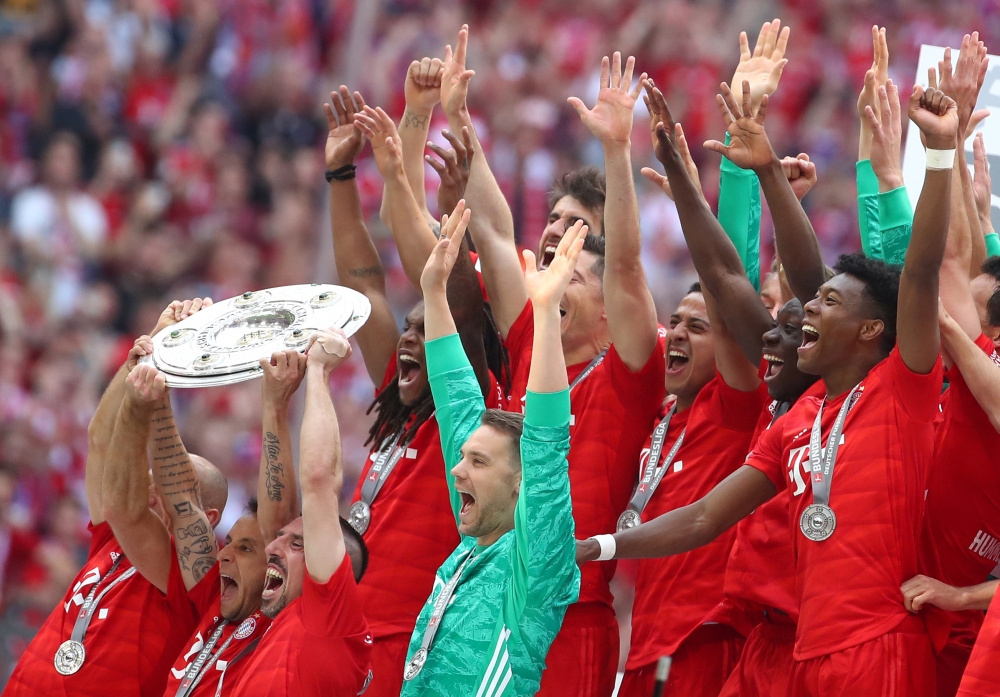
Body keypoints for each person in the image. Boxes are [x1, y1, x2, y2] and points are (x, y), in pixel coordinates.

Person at [579, 80, 958, 697]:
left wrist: (938, 155)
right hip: (787, 649)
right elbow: (703, 516)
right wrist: (593, 547)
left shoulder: (902, 390)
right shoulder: (796, 419)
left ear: (869, 329)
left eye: (827, 304)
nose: (806, 313)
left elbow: (917, 276)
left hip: (873, 648)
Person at [442, 28, 666, 694]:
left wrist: (618, 147)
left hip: (568, 616)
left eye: (572, 272)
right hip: (480, 598)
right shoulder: (529, 348)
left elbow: (625, 265)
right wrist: (457, 119)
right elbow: (495, 231)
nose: (550, 276)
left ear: (608, 307)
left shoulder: (631, 375)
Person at [639, 28, 825, 695]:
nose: (772, 341)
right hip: (738, 647)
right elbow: (729, 279)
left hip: (796, 647)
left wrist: (756, 174)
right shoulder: (772, 403)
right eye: (769, 332)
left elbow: (738, 279)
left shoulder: (834, 392)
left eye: (794, 329)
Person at [323, 85, 505, 697]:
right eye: (409, 329)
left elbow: (454, 297)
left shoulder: (472, 412)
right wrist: (340, 174)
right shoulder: (395, 408)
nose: (410, 339)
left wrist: (415, 147)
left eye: (430, 335)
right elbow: (363, 287)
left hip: (407, 642)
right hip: (338, 627)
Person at [398, 197, 579, 696]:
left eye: (477, 462)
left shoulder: (533, 560)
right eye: (462, 458)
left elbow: (545, 445)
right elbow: (457, 398)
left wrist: (545, 318)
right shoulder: (470, 548)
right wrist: (434, 295)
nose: (457, 471)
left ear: (522, 483)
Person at [1, 300, 227, 697]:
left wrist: (149, 402)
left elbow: (128, 508)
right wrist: (147, 352)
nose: (151, 492)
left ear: (205, 518)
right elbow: (100, 441)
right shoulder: (113, 539)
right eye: (152, 482)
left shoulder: (195, 577)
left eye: (168, 489)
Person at [231, 327, 373, 697]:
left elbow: (318, 478)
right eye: (281, 540)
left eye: (298, 544)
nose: (272, 547)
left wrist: (319, 372)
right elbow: (277, 514)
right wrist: (274, 403)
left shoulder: (329, 617)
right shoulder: (275, 634)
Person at [162, 349, 303, 697]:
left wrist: (273, 404)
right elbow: (178, 502)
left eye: (245, 549)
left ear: (276, 565)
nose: (223, 556)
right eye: (228, 545)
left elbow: (279, 516)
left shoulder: (277, 622)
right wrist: (155, 392)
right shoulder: (214, 598)